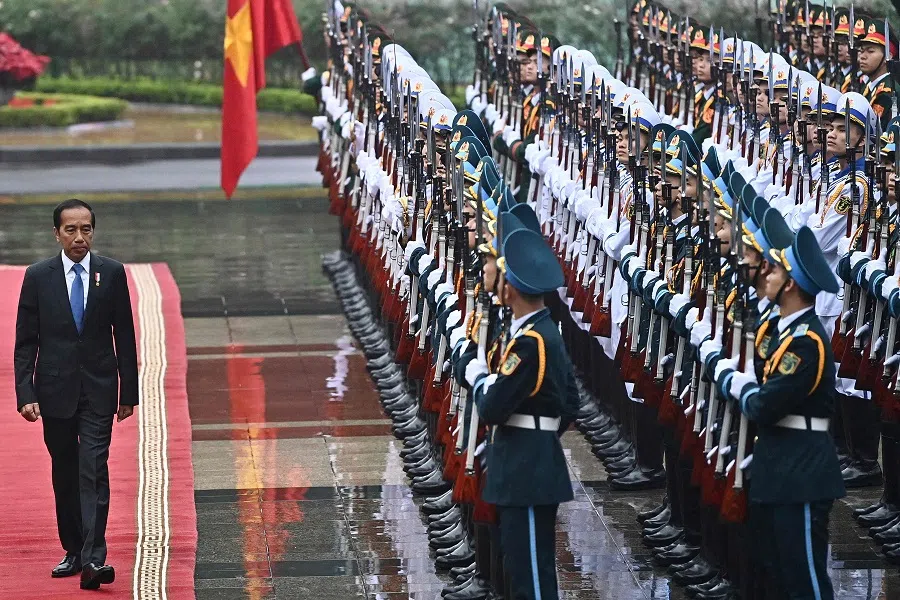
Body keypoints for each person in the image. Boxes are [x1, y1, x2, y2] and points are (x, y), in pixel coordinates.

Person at [14, 198, 138, 590]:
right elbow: (25, 341)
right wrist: (25, 391)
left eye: (86, 229)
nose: (80, 237)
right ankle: (73, 550)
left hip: (99, 389)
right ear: (57, 233)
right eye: (71, 229)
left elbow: (126, 336)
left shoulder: (112, 273)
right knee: (65, 471)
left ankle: (94, 559)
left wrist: (128, 392)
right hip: (55, 391)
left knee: (94, 469)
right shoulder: (38, 276)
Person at [720, 225, 845, 599]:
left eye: (773, 271)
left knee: (802, 580)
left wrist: (735, 382)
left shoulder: (806, 344)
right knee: (774, 576)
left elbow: (764, 405)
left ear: (790, 284)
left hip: (801, 473)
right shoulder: (785, 331)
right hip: (779, 467)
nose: (765, 276)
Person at [464, 227, 580, 600]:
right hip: (527, 459)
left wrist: (479, 378)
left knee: (531, 577)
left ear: (509, 288)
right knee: (524, 571)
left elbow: (493, 406)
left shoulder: (531, 343)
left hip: (527, 469)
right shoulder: (538, 332)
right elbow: (570, 404)